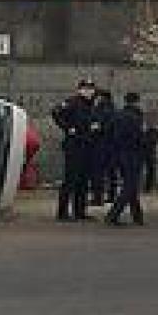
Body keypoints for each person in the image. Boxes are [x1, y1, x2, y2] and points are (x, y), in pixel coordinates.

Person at [52, 79, 99, 221]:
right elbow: (56, 112)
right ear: (79, 89)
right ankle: (62, 212)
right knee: (71, 180)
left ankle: (80, 211)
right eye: (85, 88)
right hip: (74, 146)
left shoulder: (91, 105)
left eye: (91, 88)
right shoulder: (72, 102)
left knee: (83, 181)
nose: (89, 91)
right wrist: (67, 128)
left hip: (87, 145)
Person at [106, 92, 147, 226]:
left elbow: (109, 134)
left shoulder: (117, 115)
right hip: (133, 156)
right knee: (129, 187)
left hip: (119, 155)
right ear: (136, 102)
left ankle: (137, 216)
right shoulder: (136, 118)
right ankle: (113, 215)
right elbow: (140, 139)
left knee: (131, 186)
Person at [90, 90, 118, 206]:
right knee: (112, 174)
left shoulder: (98, 111)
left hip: (99, 146)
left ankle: (98, 198)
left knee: (98, 174)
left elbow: (96, 127)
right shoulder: (115, 111)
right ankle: (112, 196)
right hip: (113, 147)